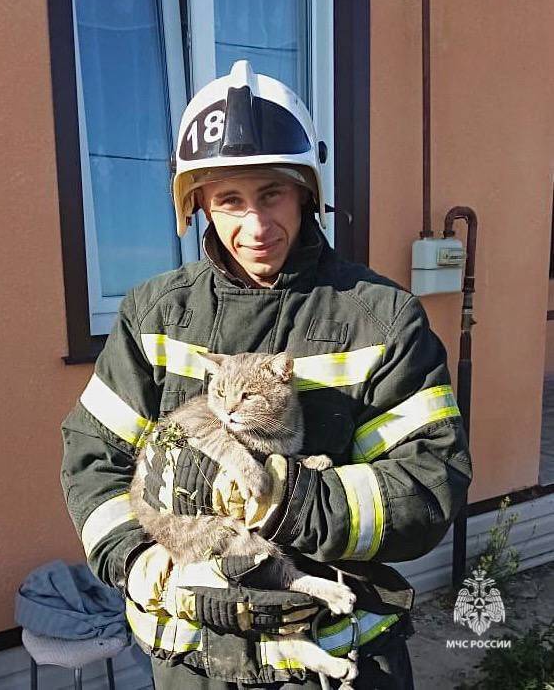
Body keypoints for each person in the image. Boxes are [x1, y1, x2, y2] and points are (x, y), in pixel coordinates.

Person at [61, 60, 473, 689]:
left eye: (272, 194)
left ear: (307, 192)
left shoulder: (381, 319)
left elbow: (430, 483)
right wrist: (134, 554)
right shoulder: (154, 315)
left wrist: (291, 500)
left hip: (341, 659)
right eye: (230, 199)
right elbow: (93, 457)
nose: (256, 226)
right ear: (198, 204)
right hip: (193, 662)